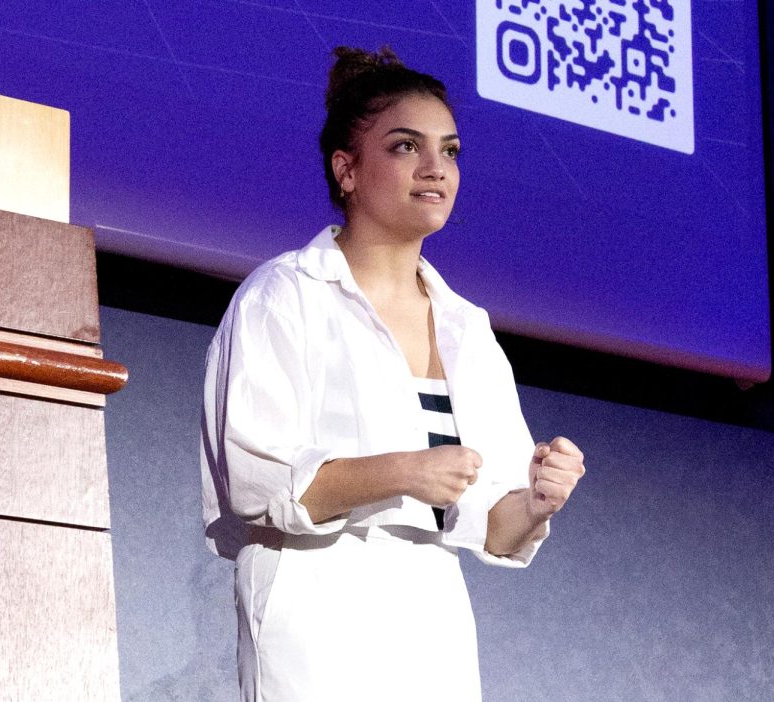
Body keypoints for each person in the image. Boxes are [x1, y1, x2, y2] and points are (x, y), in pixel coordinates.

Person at [201, 46, 586, 702]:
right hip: (316, 609)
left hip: (431, 618)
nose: (436, 168)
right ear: (346, 169)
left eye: (451, 150)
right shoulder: (285, 295)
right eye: (406, 147)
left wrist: (538, 499)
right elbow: (256, 481)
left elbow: (495, 525)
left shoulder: (467, 327)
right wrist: (403, 472)